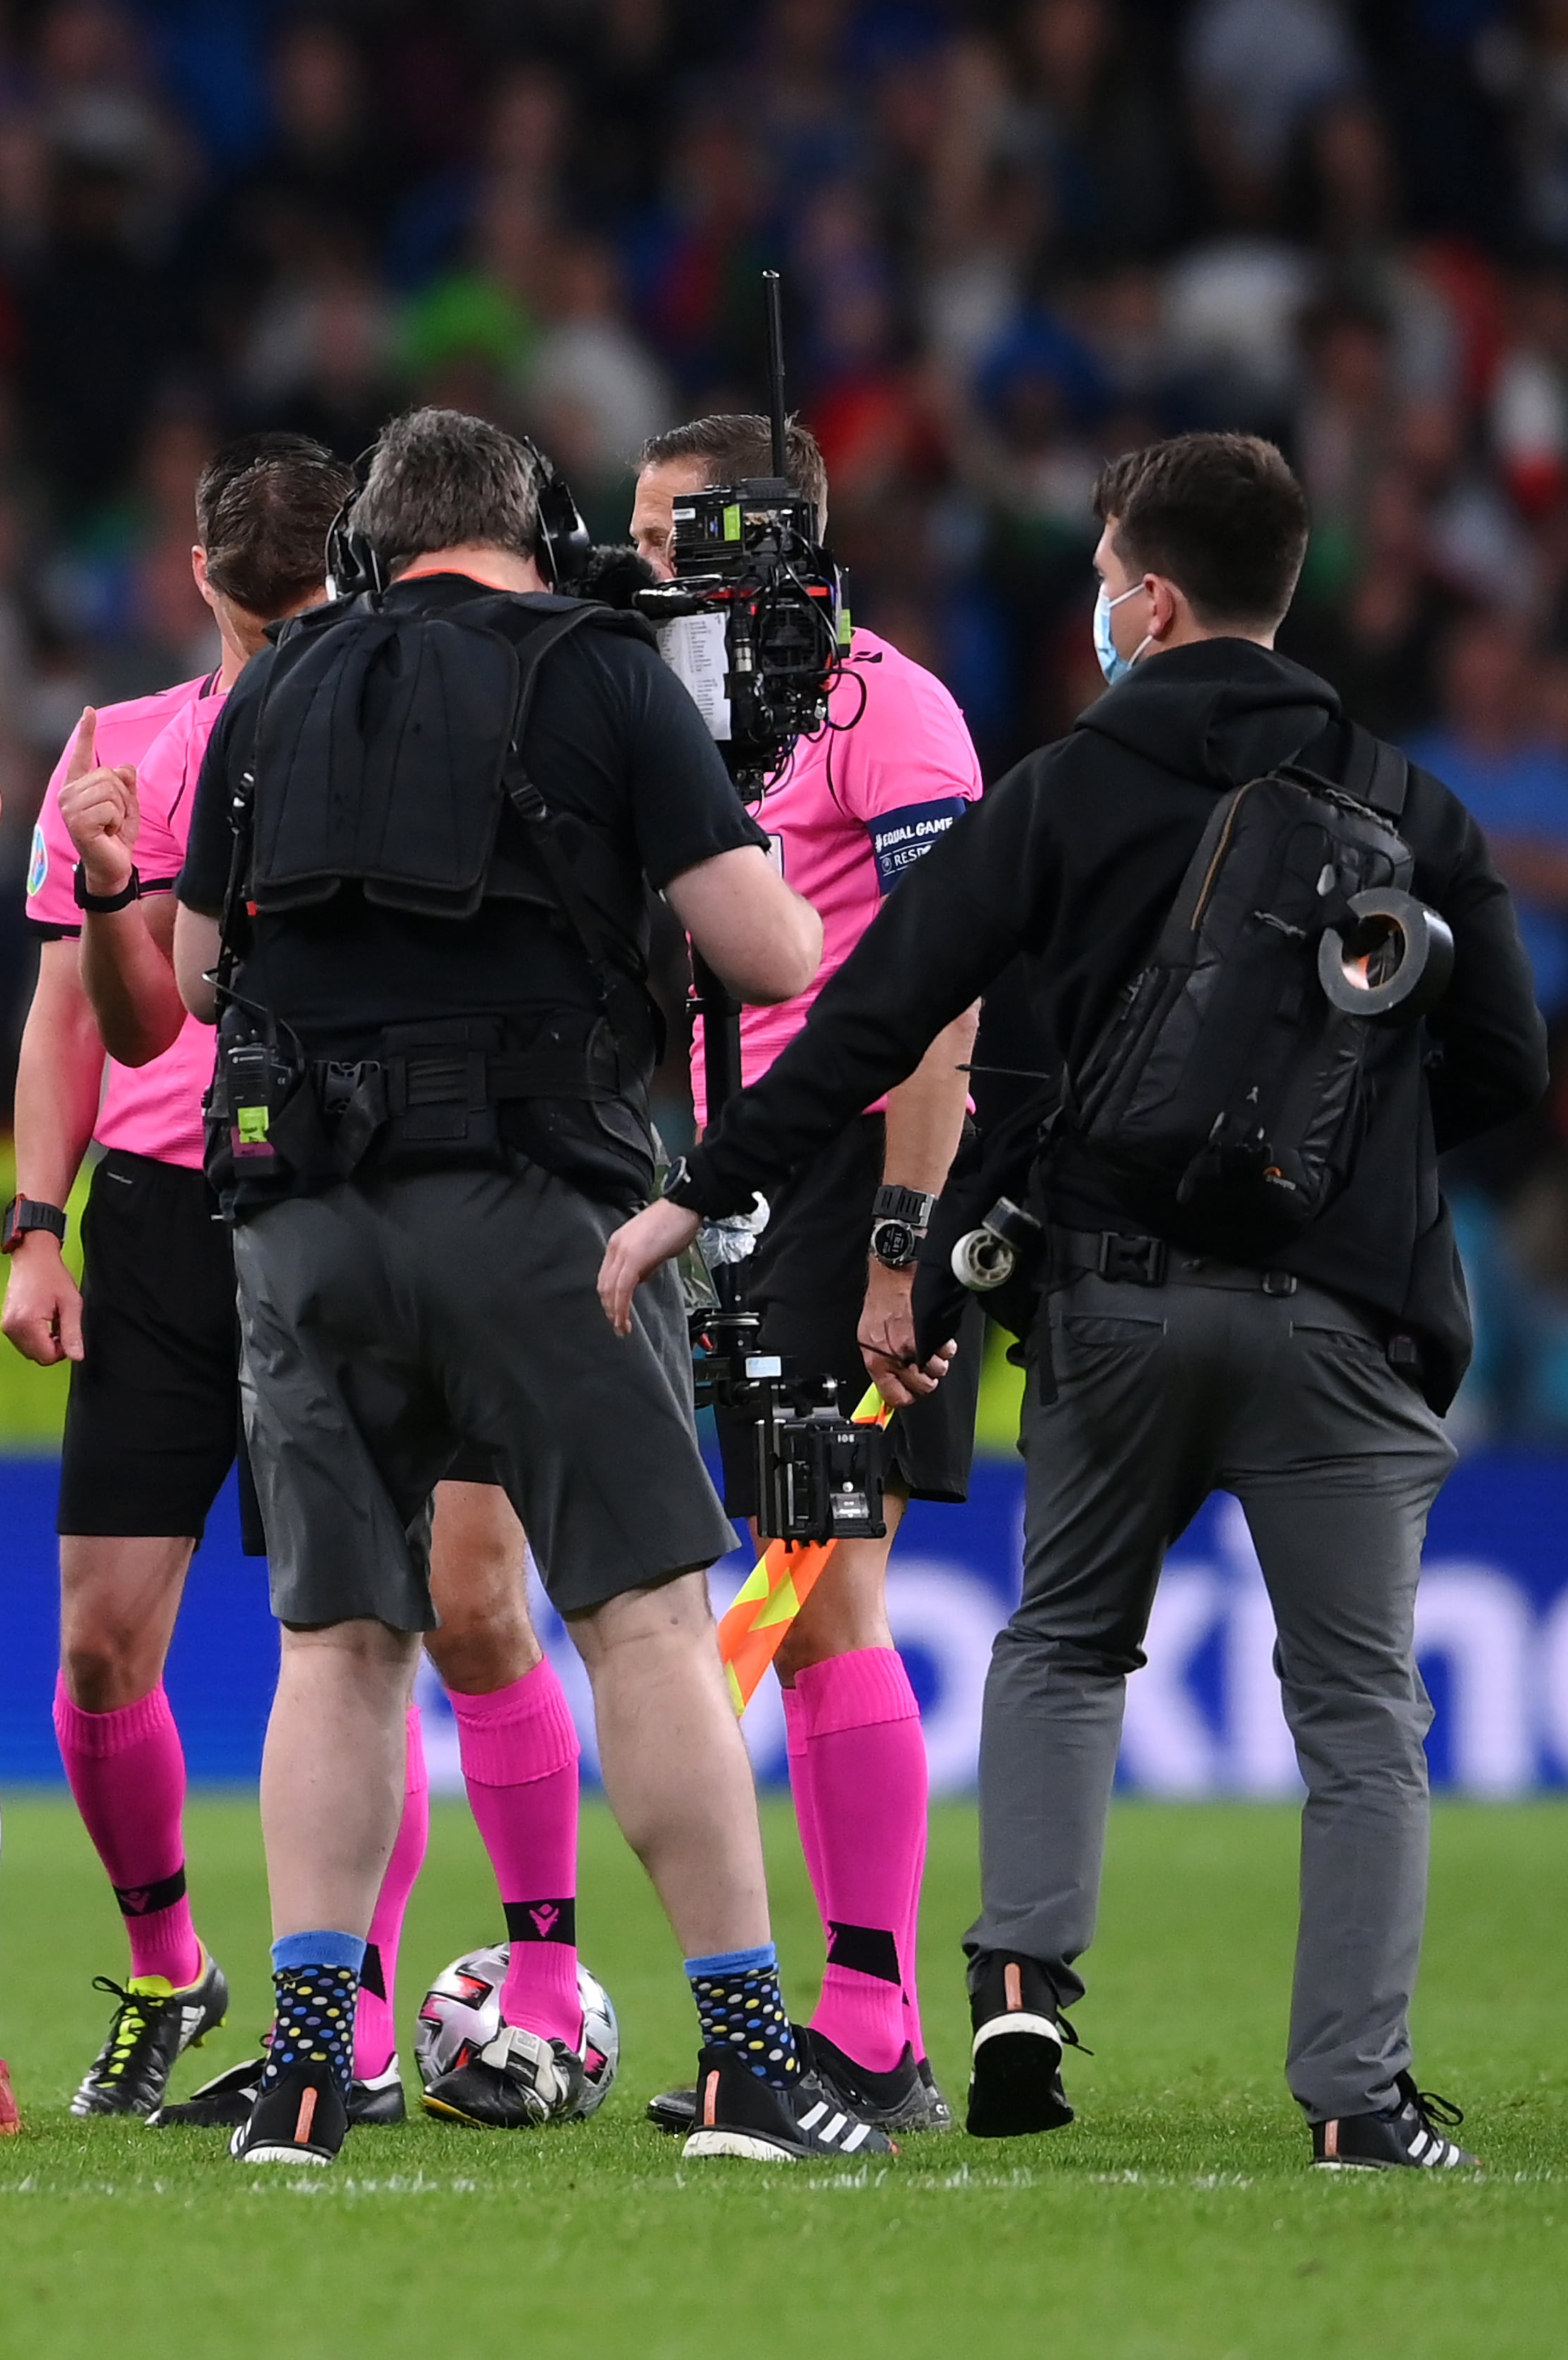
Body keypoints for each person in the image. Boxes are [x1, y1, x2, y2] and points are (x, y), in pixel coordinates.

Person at [602, 432, 1547, 2170]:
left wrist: (696, 1188)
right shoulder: (1414, 805)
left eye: (1106, 570)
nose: (1094, 599)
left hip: (1110, 1302)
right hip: (1344, 1324)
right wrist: (1353, 1170)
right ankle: (1355, 2098)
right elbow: (1505, 1056)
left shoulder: (1063, 788)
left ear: (1154, 597)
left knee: (1061, 1644)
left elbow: (879, 1009)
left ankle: (1020, 1974)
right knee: (1357, 1713)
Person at [172, 406, 884, 2166]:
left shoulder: (272, 686)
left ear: (365, 547)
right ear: (537, 526)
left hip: (302, 1216)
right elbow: (774, 951)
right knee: (637, 1621)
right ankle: (740, 2051)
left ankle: (307, 2069)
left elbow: (197, 974)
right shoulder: (602, 669)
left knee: (337, 1648)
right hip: (537, 1212)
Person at [23, 433, 610, 2136]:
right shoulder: (119, 751)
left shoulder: (396, 723)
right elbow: (99, 1020)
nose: (284, 645)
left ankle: (352, 2015)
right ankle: (166, 1965)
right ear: (201, 581)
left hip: (341, 1189)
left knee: (404, 1616)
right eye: (260, 614)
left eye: (311, 614)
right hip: (156, 1206)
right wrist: (37, 1220)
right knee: (98, 1642)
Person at [623, 414, 988, 2138]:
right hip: (718, 1182)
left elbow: (951, 993)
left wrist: (905, 1245)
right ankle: (853, 2011)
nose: (638, 562)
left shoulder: (886, 707)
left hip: (855, 1179)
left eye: (661, 531)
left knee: (824, 1578)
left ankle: (869, 2018)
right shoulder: (682, 710)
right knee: (797, 1576)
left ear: (753, 534)